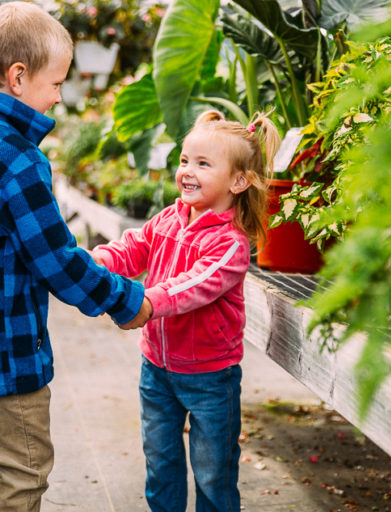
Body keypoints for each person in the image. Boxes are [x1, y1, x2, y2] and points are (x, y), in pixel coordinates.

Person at [0, 3, 152, 511]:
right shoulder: (19, 159)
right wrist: (127, 301)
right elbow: (57, 261)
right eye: (56, 83)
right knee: (23, 473)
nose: (60, 97)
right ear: (18, 77)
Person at [91, 109, 281, 511]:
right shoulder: (169, 219)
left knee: (213, 474)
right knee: (160, 464)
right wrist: (97, 261)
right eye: (184, 160)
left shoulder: (230, 243)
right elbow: (133, 247)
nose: (187, 171)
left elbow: (193, 285)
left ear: (238, 181)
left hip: (210, 377)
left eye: (203, 164)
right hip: (156, 368)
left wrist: (147, 302)